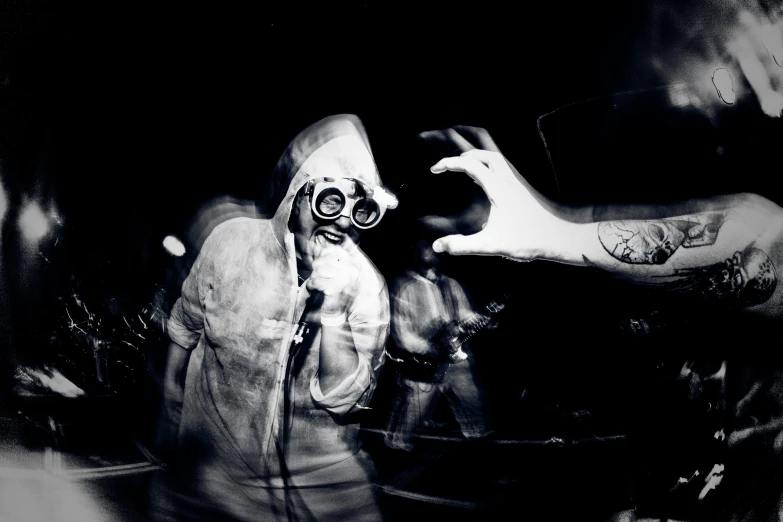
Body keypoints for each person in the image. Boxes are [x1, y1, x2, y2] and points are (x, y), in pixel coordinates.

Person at [154, 114, 397, 522]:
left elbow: (345, 400)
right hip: (215, 471)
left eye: (359, 210)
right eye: (331, 201)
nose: (341, 222)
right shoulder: (231, 243)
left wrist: (333, 313)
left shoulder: (367, 286)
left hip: (313, 486)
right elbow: (184, 325)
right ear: (298, 197)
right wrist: (170, 398)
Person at [422, 126, 783, 320]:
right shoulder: (753, 204)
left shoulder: (761, 224)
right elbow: (595, 221)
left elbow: (759, 240)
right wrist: (534, 207)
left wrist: (552, 235)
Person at [384, 233, 493, 451]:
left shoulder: (450, 284)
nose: (432, 252)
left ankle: (479, 439)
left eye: (435, 249)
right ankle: (397, 445)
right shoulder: (403, 285)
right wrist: (428, 349)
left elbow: (464, 314)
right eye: (426, 248)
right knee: (414, 410)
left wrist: (480, 320)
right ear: (415, 252)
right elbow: (402, 333)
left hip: (455, 357)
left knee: (471, 400)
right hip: (423, 364)